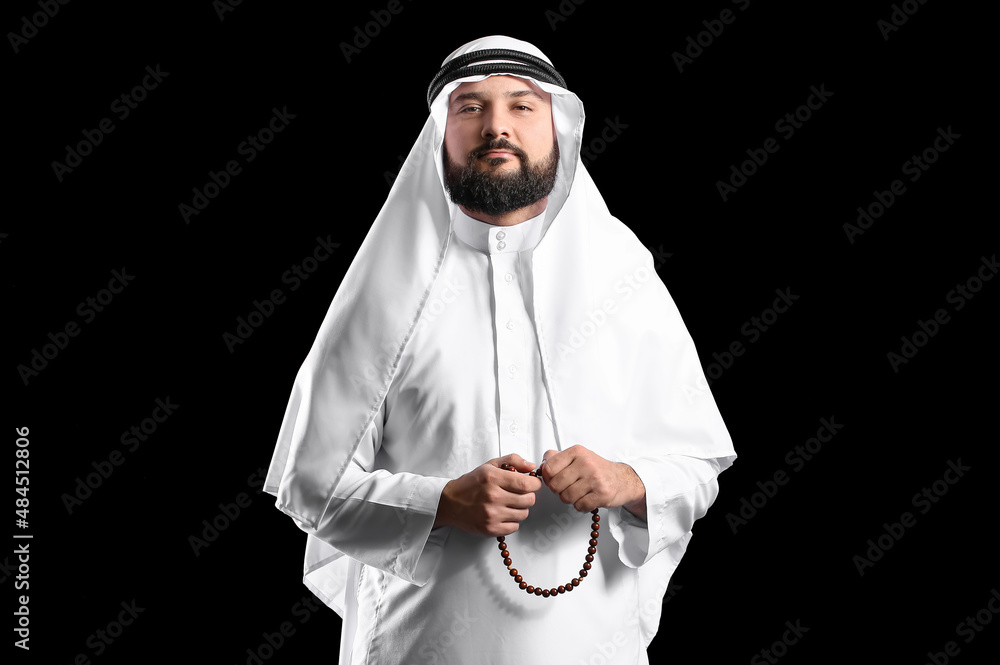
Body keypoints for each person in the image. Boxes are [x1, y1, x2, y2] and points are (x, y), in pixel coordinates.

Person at [264, 35, 736, 665]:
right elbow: (308, 486)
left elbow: (699, 466)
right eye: (470, 108)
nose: (496, 127)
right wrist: (439, 505)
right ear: (441, 137)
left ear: (558, 128)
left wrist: (628, 480)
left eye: (521, 106)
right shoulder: (386, 293)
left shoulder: (625, 282)